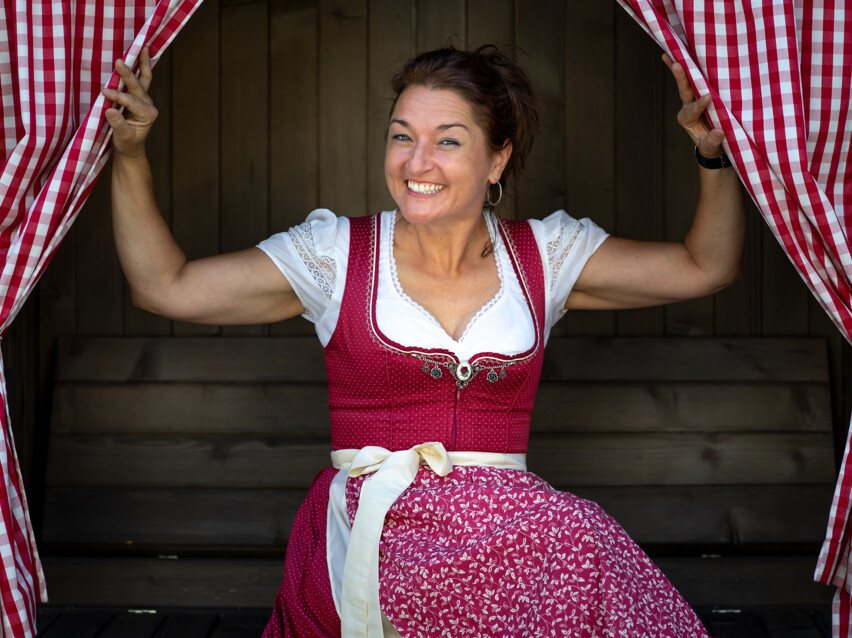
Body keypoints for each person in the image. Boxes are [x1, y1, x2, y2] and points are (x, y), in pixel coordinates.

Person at [103, 44, 744, 638]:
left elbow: (704, 266)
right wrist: (129, 157)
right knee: (572, 535)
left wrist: (713, 157)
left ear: (497, 158)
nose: (417, 163)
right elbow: (167, 285)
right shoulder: (337, 255)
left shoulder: (545, 254)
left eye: (448, 141)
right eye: (402, 137)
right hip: (377, 536)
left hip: (514, 539)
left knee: (577, 540)